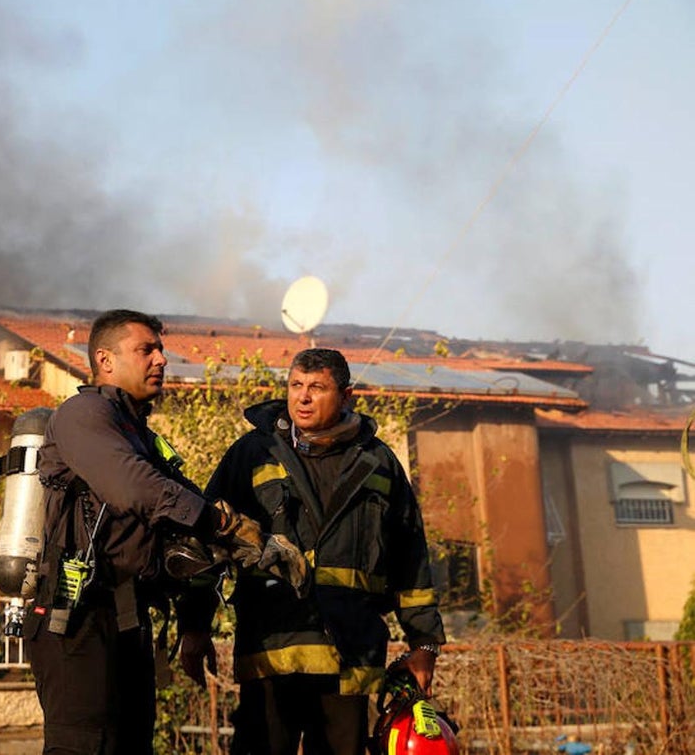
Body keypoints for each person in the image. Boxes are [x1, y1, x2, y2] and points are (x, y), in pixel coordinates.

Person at [22, 309, 302, 755]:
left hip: (127, 615)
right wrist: (224, 525)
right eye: (145, 349)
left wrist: (258, 544)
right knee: (84, 745)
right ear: (105, 360)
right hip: (75, 616)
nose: (161, 360)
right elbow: (134, 487)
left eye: (160, 349)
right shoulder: (82, 414)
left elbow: (187, 505)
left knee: (132, 744)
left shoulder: (138, 432)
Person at [179, 348, 447, 755]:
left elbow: (411, 558)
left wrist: (424, 643)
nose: (302, 397)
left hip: (351, 656)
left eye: (317, 387)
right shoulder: (253, 454)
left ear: (346, 396)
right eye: (295, 386)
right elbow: (205, 542)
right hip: (272, 651)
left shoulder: (379, 464)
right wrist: (194, 626)